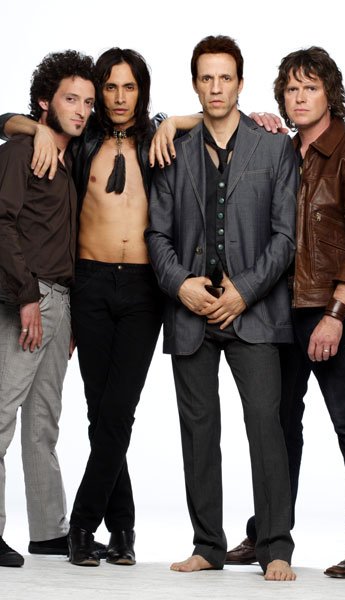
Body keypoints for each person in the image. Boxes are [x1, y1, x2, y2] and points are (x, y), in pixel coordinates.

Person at [0, 47, 201, 567]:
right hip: (87, 285)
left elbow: (215, 119)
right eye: (108, 88)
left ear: (141, 92)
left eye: (128, 87)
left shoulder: (159, 138)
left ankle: (84, 523)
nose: (117, 98)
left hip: (142, 290)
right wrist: (35, 128)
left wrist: (177, 119)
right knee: (100, 412)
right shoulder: (79, 139)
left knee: (117, 411)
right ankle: (124, 531)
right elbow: (5, 120)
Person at [226, 46, 345, 578]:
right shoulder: (279, 150)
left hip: (331, 311)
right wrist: (252, 126)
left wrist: (336, 314)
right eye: (291, 89)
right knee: (278, 426)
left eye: (310, 88)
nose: (299, 97)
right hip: (280, 309)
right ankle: (268, 534)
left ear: (330, 94)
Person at [146, 35, 298, 582]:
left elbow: (285, 237)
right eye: (206, 78)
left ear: (240, 83)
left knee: (266, 426)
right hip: (191, 313)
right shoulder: (173, 150)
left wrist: (244, 292)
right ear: (195, 84)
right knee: (198, 430)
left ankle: (275, 546)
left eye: (225, 78)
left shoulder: (273, 147)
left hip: (252, 311)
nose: (216, 88)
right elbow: (156, 234)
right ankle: (208, 545)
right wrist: (180, 285)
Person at [0, 51, 96, 567]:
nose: (81, 110)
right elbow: (2, 224)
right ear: (44, 102)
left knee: (43, 421)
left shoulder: (70, 157)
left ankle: (47, 531)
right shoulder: (22, 150)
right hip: (28, 297)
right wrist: (27, 298)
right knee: (1, 413)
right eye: (70, 99)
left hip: (62, 302)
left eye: (87, 102)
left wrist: (68, 311)